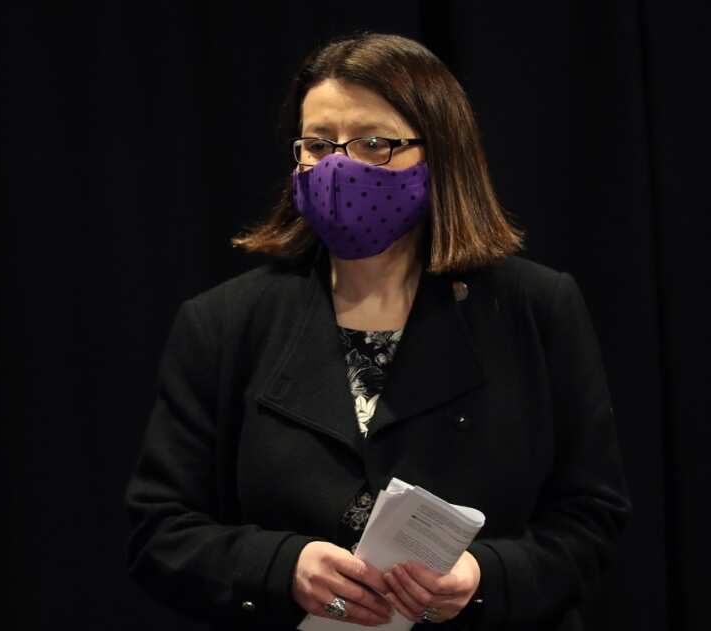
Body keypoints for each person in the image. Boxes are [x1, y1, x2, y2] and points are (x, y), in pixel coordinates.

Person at [124, 31, 632, 631]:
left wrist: (483, 578)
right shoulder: (224, 322)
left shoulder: (534, 308)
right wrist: (283, 567)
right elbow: (160, 532)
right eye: (318, 145)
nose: (340, 168)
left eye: (373, 144)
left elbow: (591, 519)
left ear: (441, 153)